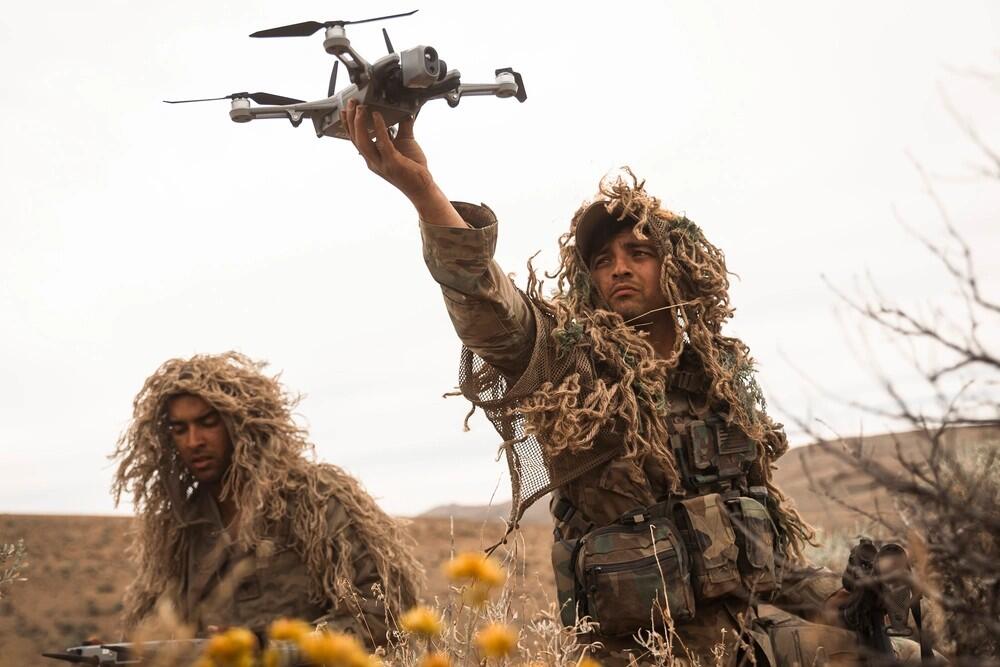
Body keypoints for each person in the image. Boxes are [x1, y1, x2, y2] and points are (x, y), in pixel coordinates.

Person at [338, 101, 930, 665]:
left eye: (638, 252)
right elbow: (493, 312)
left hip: (750, 640)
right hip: (642, 654)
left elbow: (769, 566)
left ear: (677, 268)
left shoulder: (720, 388)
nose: (619, 267)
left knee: (907, 655)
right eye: (602, 260)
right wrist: (424, 191)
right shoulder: (573, 374)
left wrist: (849, 597)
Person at [111, 352, 422, 648]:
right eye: (180, 429)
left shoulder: (315, 500)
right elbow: (165, 632)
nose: (194, 441)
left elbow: (381, 615)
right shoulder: (181, 527)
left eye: (208, 423)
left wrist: (269, 647)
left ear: (241, 422)